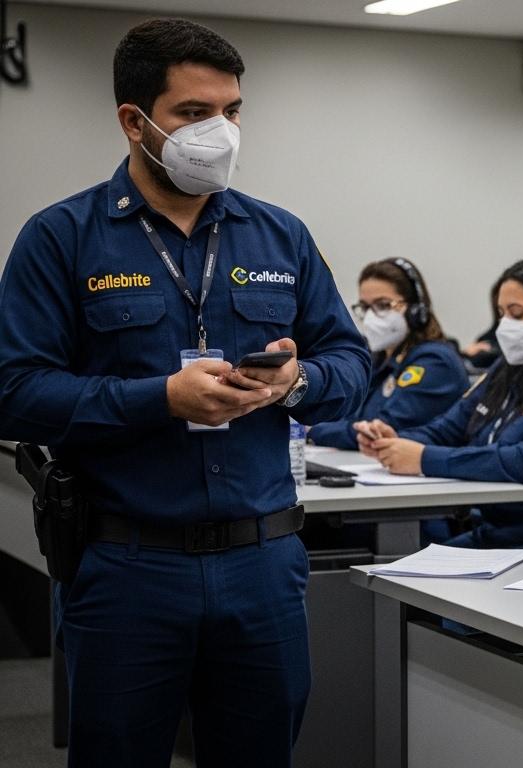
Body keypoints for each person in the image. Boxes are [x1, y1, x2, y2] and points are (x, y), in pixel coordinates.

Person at [0, 19, 371, 767]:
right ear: (134, 122)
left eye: (233, 112)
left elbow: (352, 363)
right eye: (195, 114)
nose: (221, 133)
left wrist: (300, 381)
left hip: (262, 562)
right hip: (129, 565)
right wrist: (159, 399)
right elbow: (15, 391)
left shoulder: (280, 235)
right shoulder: (61, 237)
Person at [359, 256, 523, 549]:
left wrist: (424, 458)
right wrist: (393, 441)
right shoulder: (508, 369)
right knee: (397, 570)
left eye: (517, 314)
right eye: (501, 313)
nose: (505, 325)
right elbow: (449, 428)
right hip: (496, 532)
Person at [308, 258, 467, 448]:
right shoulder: (378, 360)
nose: (370, 317)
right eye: (365, 307)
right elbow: (346, 415)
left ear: (416, 311)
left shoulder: (436, 362)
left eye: (383, 305)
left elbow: (379, 429)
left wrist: (312, 430)